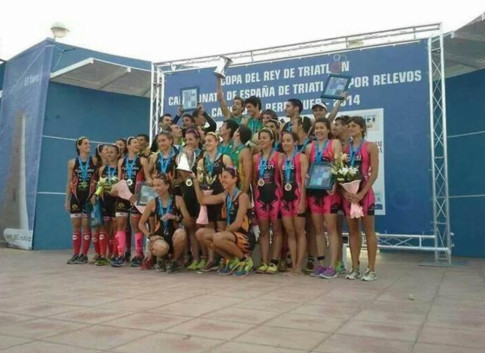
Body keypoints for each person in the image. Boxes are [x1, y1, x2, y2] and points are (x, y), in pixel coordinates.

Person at [192, 167, 255, 276]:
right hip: (230, 234)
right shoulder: (225, 196)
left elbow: (238, 223)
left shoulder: (242, 196)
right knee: (200, 234)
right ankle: (232, 260)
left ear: (235, 179)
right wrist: (195, 181)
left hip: (246, 237)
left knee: (217, 237)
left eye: (225, 177)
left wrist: (224, 232)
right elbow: (202, 200)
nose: (222, 180)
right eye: (221, 177)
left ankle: (244, 260)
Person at [342, 116, 379, 281]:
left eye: (354, 125)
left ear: (362, 128)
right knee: (353, 232)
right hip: (349, 197)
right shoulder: (344, 149)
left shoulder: (370, 147)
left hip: (365, 195)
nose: (351, 128)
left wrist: (362, 193)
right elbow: (340, 173)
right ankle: (355, 268)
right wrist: (346, 193)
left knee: (369, 231)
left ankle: (371, 269)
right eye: (349, 125)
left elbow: (374, 173)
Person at [305, 118, 342, 278]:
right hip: (314, 191)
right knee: (318, 229)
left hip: (329, 191)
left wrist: (334, 183)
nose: (319, 131)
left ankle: (333, 265)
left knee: (331, 229)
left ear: (328, 129)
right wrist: (307, 177)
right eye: (316, 128)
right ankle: (320, 264)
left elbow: (339, 165)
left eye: (322, 128)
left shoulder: (334, 144)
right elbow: (307, 169)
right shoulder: (309, 147)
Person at [194, 132, 232, 271]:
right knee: (209, 229)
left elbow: (232, 177)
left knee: (221, 229)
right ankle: (211, 259)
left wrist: (226, 194)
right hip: (207, 198)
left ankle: (224, 258)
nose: (207, 143)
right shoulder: (201, 161)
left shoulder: (225, 158)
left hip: (220, 197)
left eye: (210, 140)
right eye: (205, 141)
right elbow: (199, 180)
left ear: (217, 142)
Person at [138, 173, 188, 273]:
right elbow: (141, 224)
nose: (156, 188)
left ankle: (174, 260)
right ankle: (162, 259)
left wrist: (175, 217)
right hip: (159, 237)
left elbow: (189, 222)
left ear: (167, 185)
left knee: (181, 233)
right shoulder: (152, 202)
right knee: (162, 248)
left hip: (174, 237)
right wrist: (150, 236)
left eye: (159, 185)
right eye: (154, 185)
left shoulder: (178, 200)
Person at [111, 137, 149, 267]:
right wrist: (115, 189)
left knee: (136, 225)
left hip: (137, 196)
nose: (138, 144)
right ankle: (121, 254)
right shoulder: (121, 161)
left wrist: (140, 196)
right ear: (128, 146)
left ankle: (139, 254)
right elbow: (119, 179)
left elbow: (148, 180)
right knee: (120, 225)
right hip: (123, 196)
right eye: (135, 143)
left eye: (139, 143)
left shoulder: (143, 160)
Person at [252, 128, 283, 274]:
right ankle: (264, 262)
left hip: (276, 198)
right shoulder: (255, 158)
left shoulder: (278, 156)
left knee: (276, 230)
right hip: (260, 199)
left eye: (265, 137)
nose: (262, 140)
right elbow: (253, 181)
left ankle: (274, 261)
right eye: (260, 137)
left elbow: (283, 180)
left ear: (272, 140)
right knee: (264, 231)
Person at [65, 137, 99, 264]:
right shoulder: (72, 163)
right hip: (75, 197)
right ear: (79, 146)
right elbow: (69, 181)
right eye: (85, 144)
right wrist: (67, 200)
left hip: (89, 197)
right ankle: (75, 254)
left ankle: (84, 255)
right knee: (76, 227)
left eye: (89, 143)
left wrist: (96, 193)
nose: (88, 145)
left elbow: (100, 178)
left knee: (86, 227)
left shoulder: (94, 161)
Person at [280, 131, 309, 275]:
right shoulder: (282, 160)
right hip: (285, 200)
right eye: (283, 141)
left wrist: (302, 201)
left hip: (298, 198)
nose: (285, 143)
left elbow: (304, 181)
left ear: (295, 142)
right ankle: (293, 265)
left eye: (288, 140)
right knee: (290, 232)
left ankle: (298, 265)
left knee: (299, 232)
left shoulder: (301, 158)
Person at [175, 128, 204, 269]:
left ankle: (202, 257)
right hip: (187, 191)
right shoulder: (183, 154)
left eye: (191, 139)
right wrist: (184, 157)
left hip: (199, 191)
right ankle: (192, 257)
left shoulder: (203, 154)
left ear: (198, 140)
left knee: (200, 226)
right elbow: (183, 175)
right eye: (186, 140)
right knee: (189, 225)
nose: (189, 142)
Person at [332, 115, 350, 272]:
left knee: (353, 228)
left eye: (337, 124)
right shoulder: (333, 144)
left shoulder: (353, 145)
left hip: (352, 191)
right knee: (336, 228)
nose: (334, 126)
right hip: (336, 192)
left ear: (346, 127)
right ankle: (338, 261)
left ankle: (355, 264)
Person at [96, 144, 119, 266]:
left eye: (112, 152)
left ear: (118, 154)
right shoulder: (102, 169)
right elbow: (100, 185)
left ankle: (114, 254)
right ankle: (102, 255)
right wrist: (97, 196)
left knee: (115, 229)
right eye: (108, 152)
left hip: (116, 201)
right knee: (104, 229)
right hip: (105, 201)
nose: (109, 154)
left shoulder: (120, 168)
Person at [229, 125, 253, 194]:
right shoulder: (233, 149)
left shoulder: (245, 151)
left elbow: (248, 176)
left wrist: (244, 193)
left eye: (236, 130)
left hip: (240, 187)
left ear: (237, 134)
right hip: (231, 186)